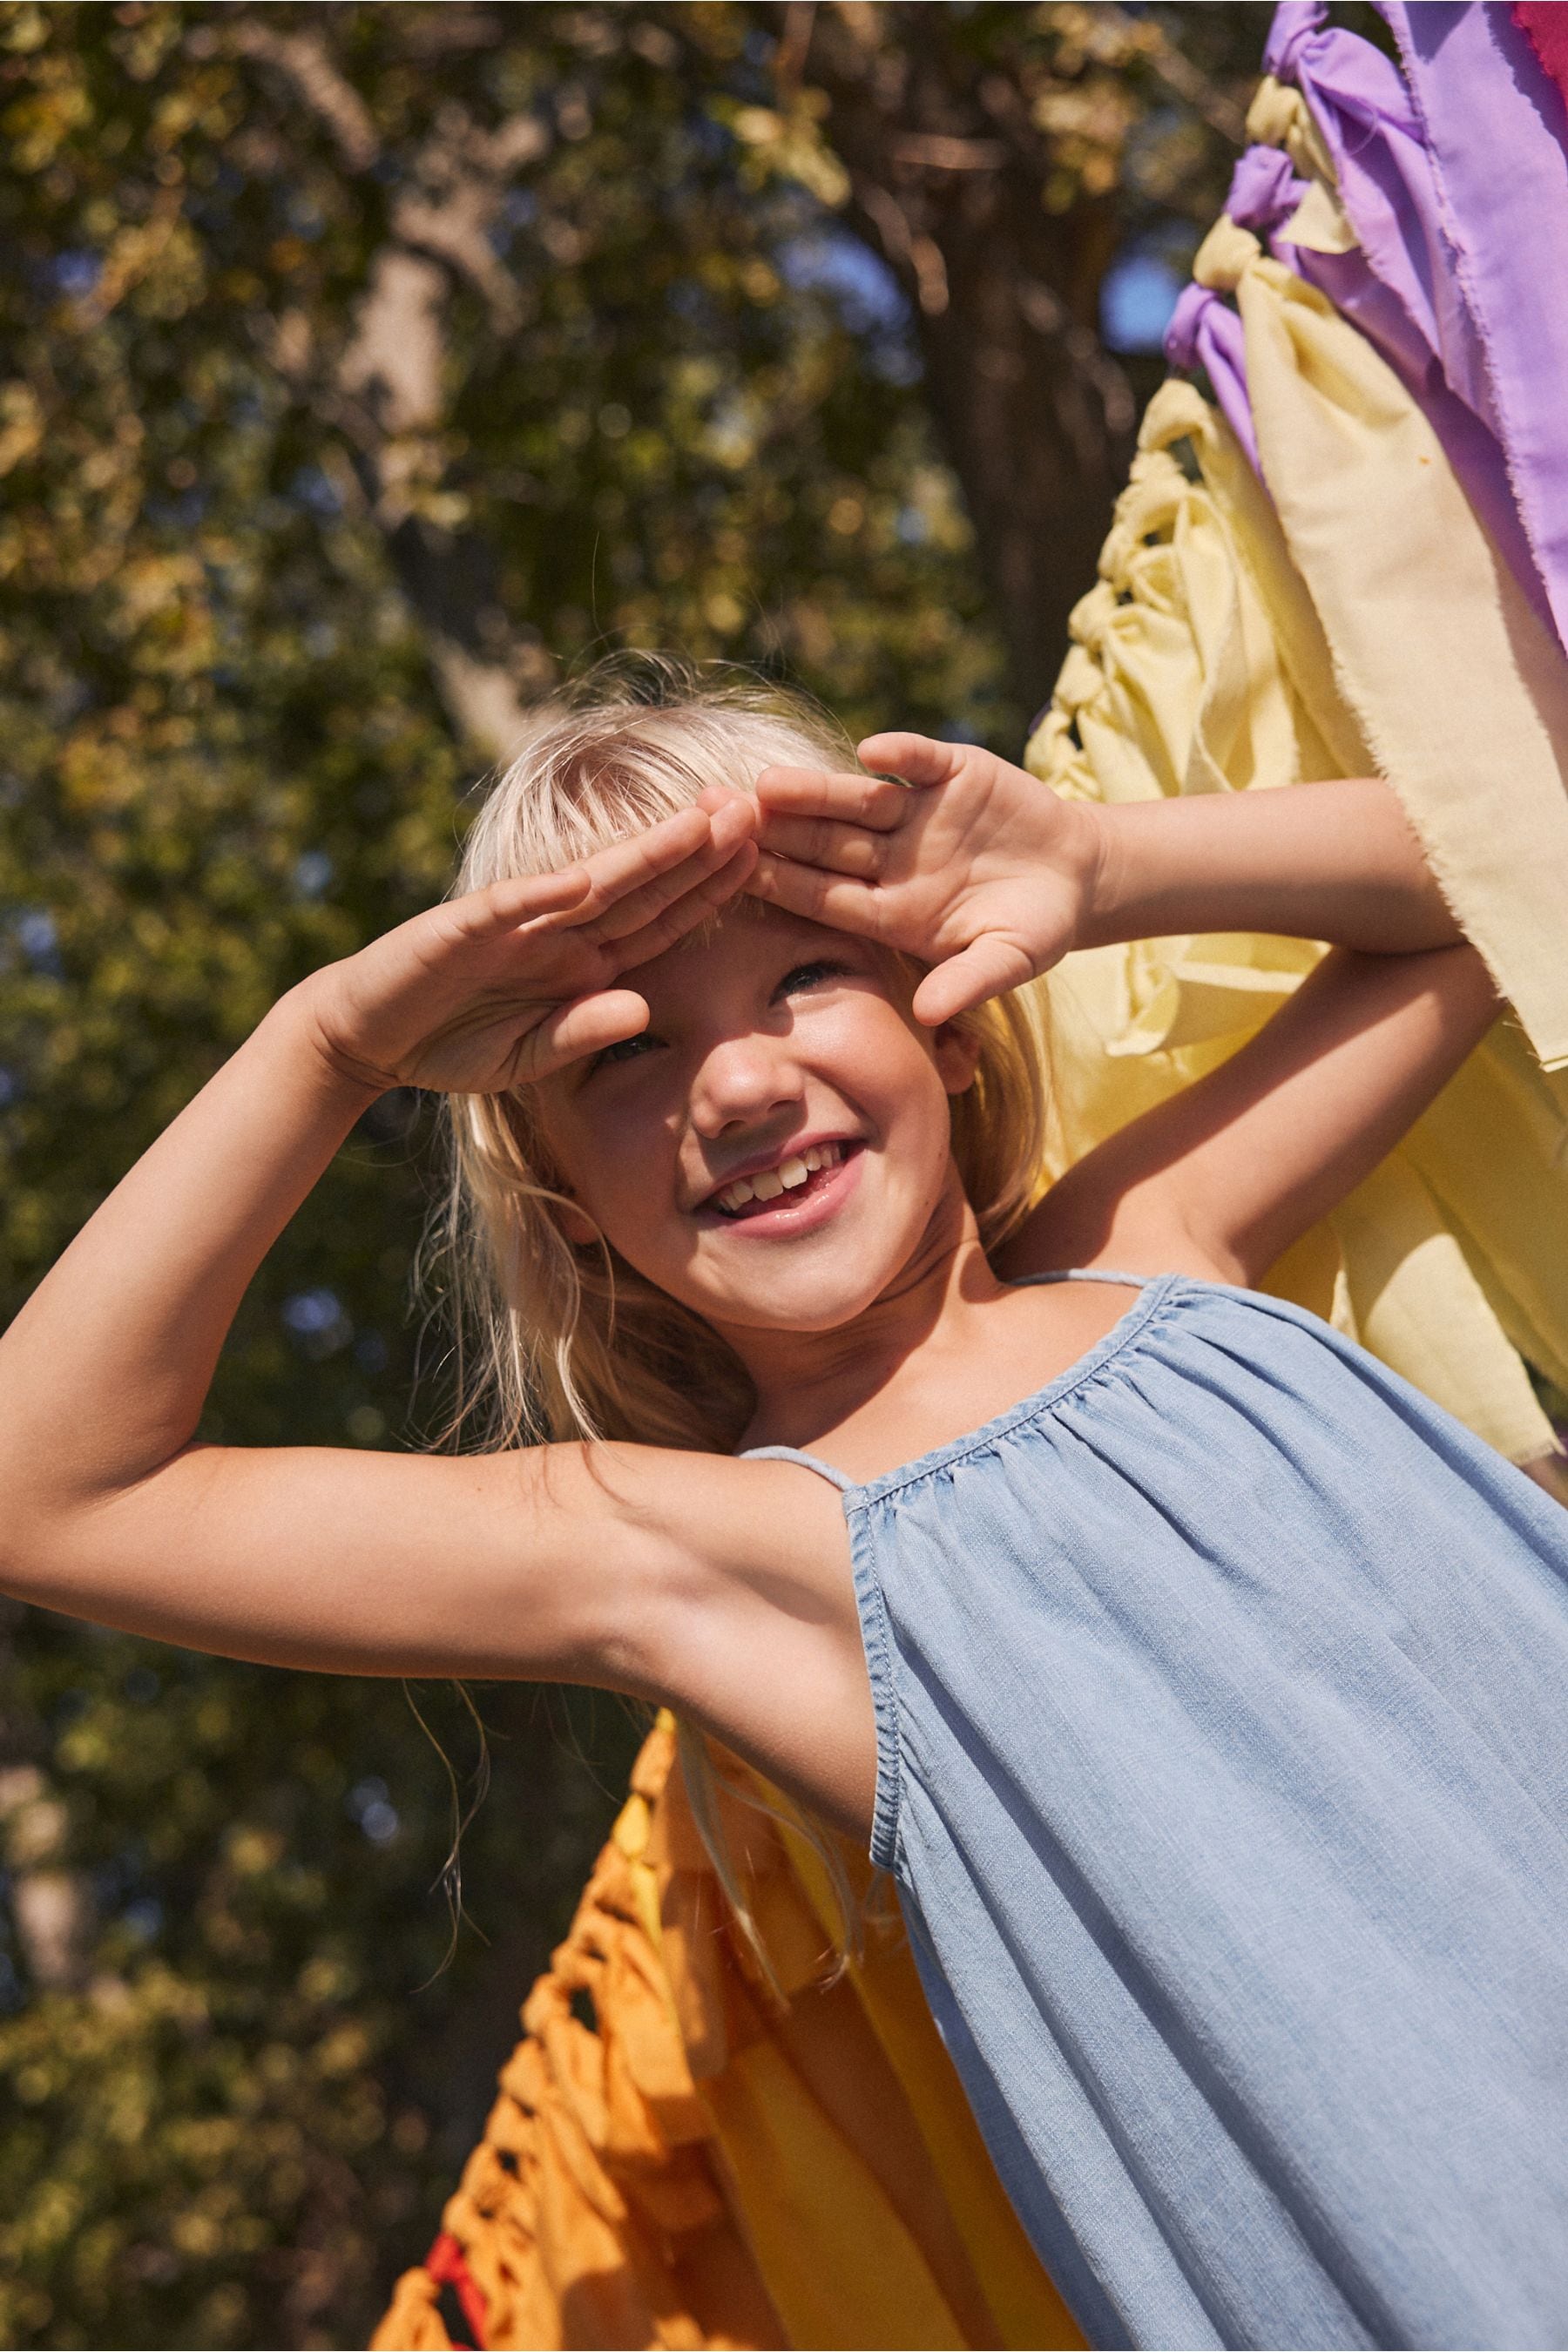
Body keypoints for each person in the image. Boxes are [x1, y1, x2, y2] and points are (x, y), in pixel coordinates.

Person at [3, 668, 1566, 2351]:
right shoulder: (722, 1556)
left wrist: (1103, 869)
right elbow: (52, 1488)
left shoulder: (1159, 1239)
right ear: (569, 1204)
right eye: (627, 1051)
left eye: (807, 975)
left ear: (948, 1022)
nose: (738, 1085)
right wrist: (334, 1046)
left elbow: (1506, 871)